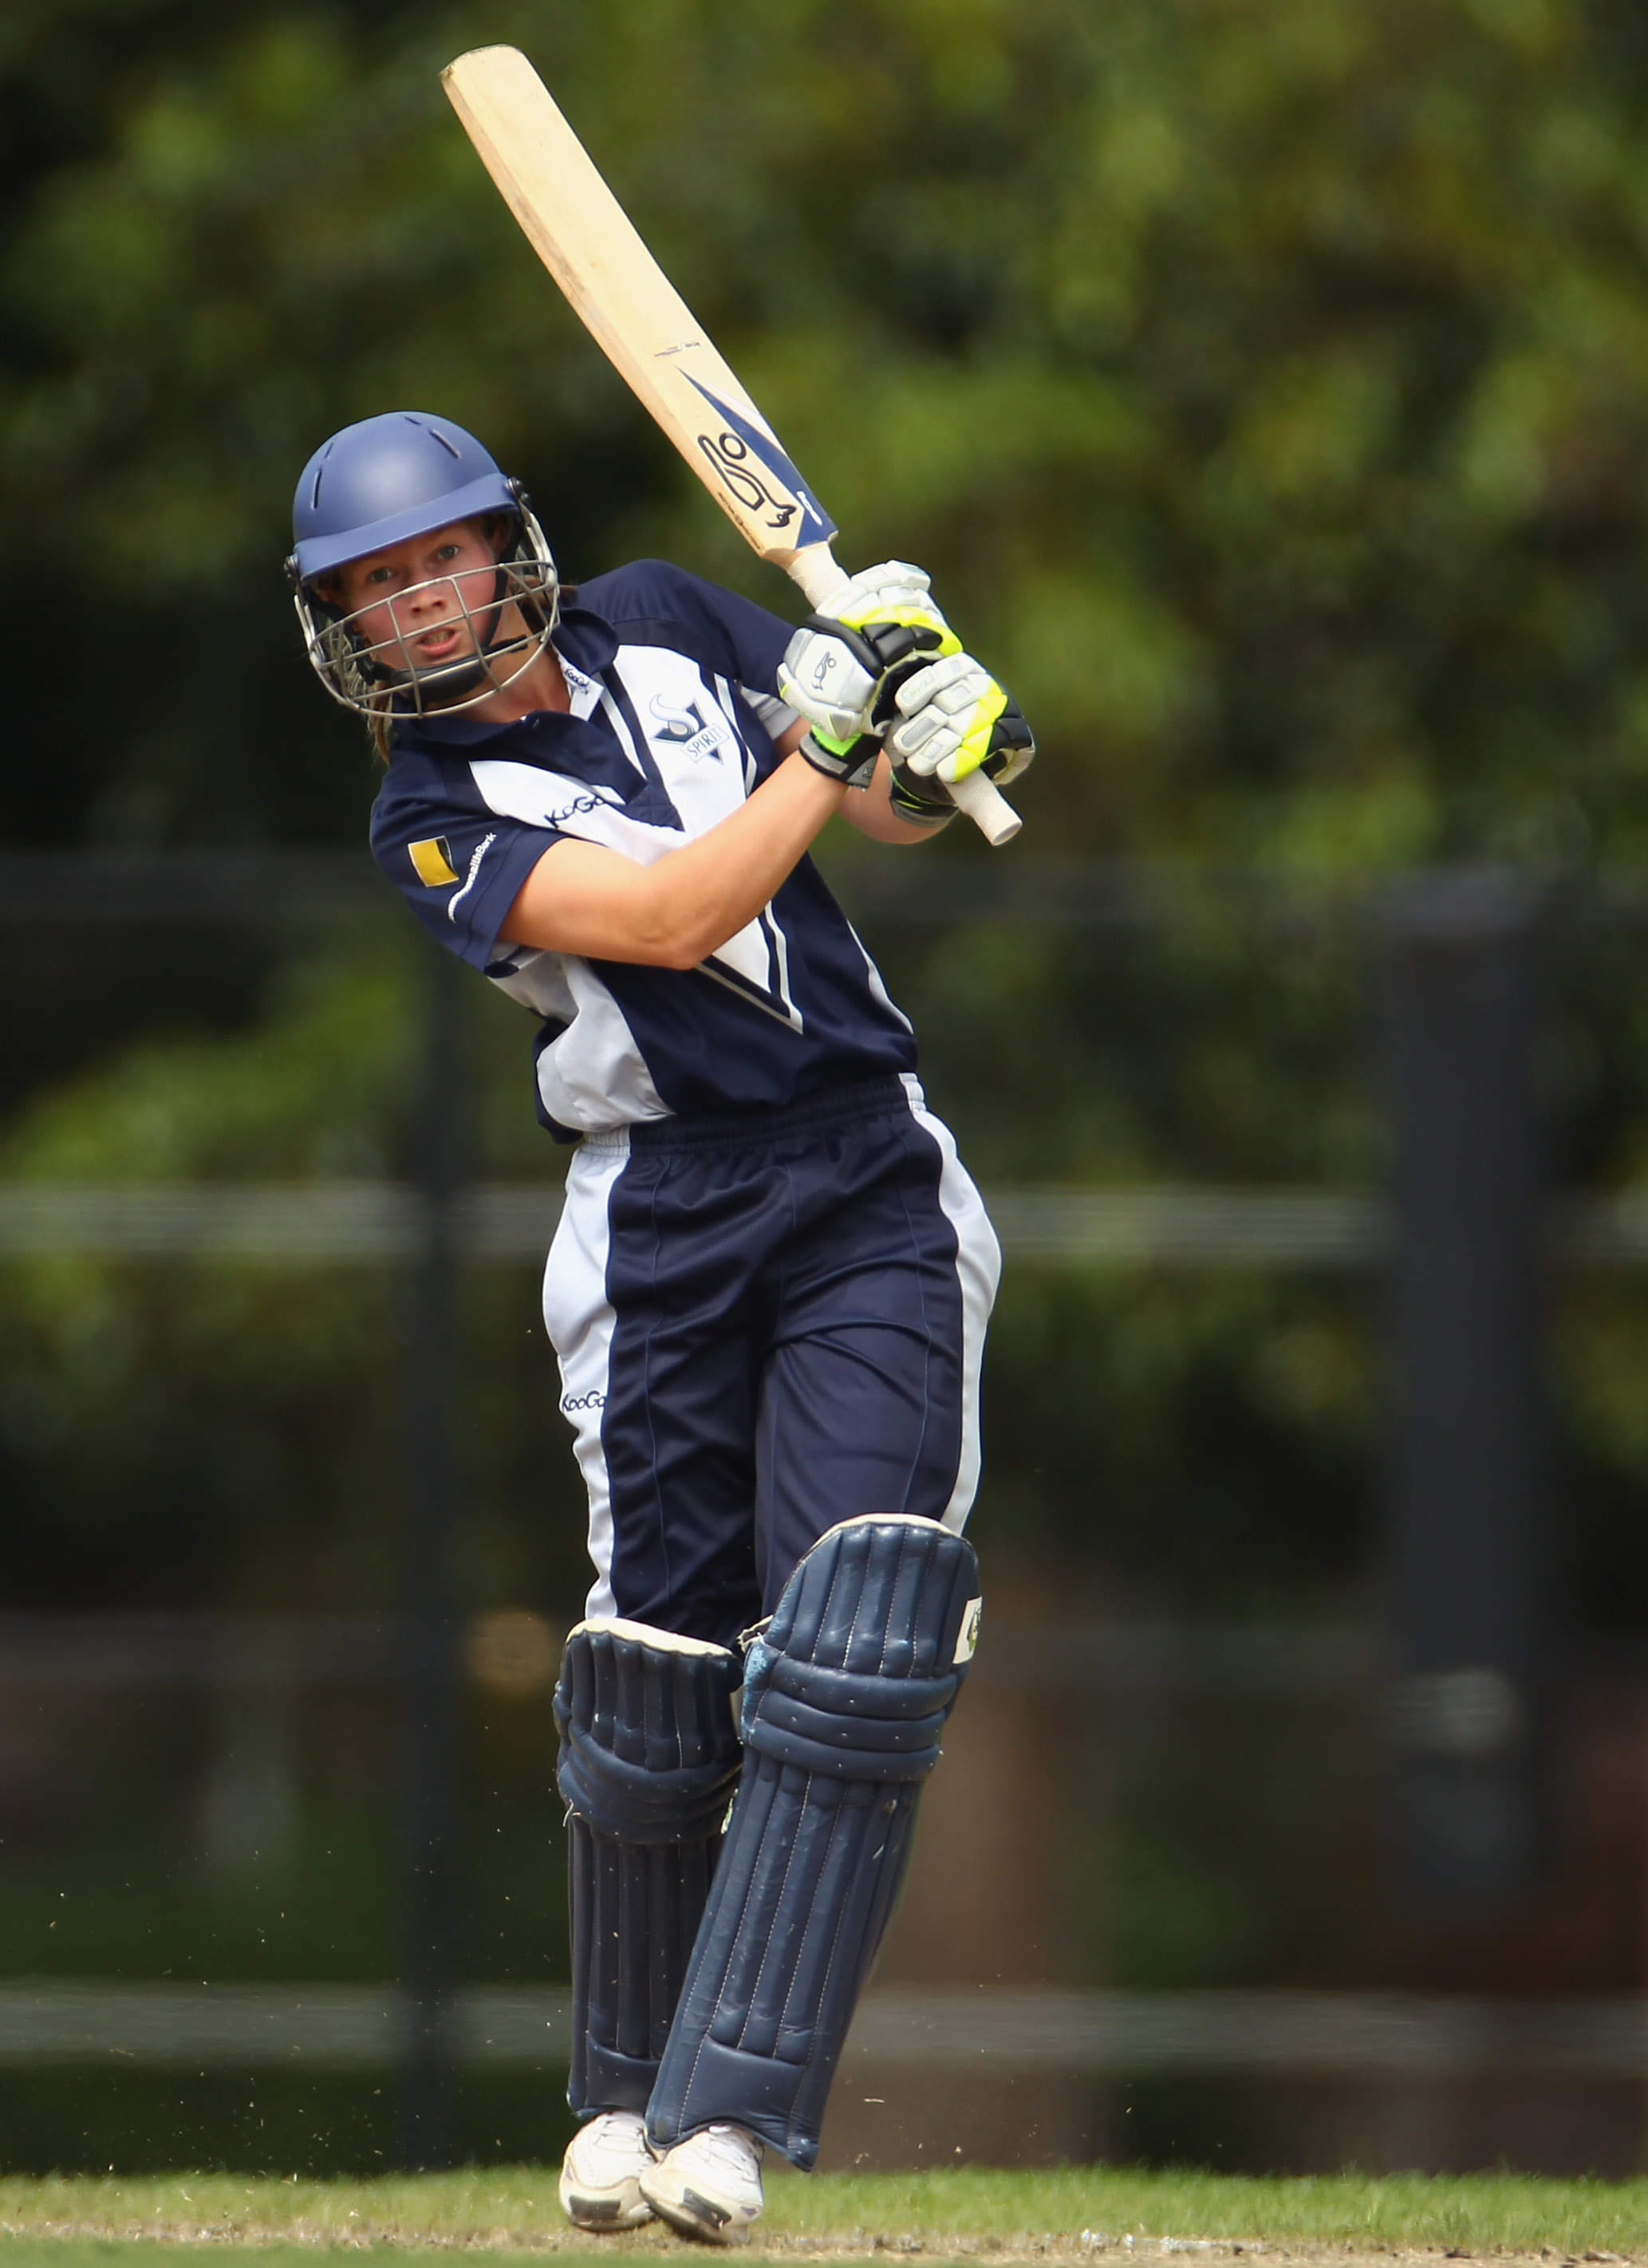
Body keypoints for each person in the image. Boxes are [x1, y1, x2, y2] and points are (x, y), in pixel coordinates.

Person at [289, 414, 1027, 2242]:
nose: (417, 600)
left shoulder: (665, 616)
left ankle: (733, 2117)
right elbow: (680, 913)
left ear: (503, 549)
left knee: (856, 1631)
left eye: (439, 556)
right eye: (376, 587)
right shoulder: (428, 822)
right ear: (345, 628)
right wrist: (835, 739)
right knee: (657, 1669)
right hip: (655, 1223)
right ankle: (623, 2099)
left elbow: (879, 807)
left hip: (863, 1181)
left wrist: (935, 728)